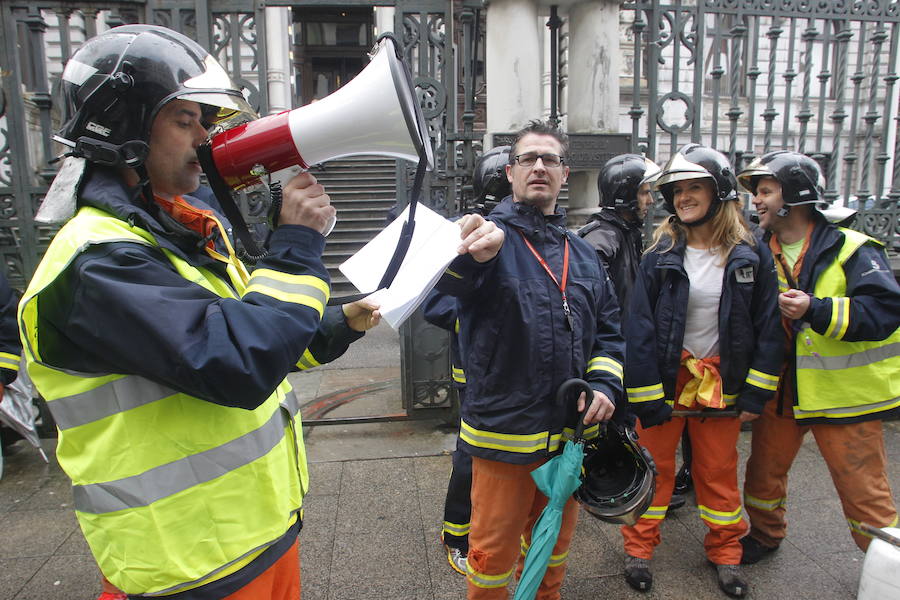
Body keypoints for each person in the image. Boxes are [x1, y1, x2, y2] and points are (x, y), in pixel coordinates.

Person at [19, 25, 380, 599]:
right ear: (127, 132)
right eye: (185, 121)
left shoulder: (178, 234)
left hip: (254, 534)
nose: (205, 139)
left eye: (207, 123)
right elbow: (238, 361)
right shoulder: (98, 261)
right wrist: (295, 246)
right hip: (185, 566)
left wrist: (343, 323)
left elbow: (253, 334)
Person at [435, 120, 625, 600]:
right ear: (511, 172)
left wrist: (603, 387)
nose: (538, 166)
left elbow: (609, 331)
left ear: (565, 173)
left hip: (568, 437)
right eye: (527, 159)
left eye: (550, 159)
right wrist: (472, 260)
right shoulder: (485, 240)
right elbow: (444, 295)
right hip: (503, 436)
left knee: (553, 549)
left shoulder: (583, 255)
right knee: (492, 557)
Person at [621, 144, 782, 598]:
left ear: (721, 191)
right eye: (677, 190)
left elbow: (769, 328)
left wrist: (754, 395)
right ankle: (639, 549)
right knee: (654, 470)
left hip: (721, 388)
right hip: (666, 386)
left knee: (717, 472)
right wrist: (646, 394)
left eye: (695, 188)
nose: (683, 198)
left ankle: (726, 555)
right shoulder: (660, 254)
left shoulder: (751, 256)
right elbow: (639, 328)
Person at [737, 151, 899, 563]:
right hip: (782, 391)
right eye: (757, 192)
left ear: (794, 196)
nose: (757, 200)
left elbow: (884, 311)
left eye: (766, 191)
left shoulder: (854, 248)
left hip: (844, 397)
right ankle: (765, 535)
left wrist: (817, 309)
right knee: (762, 477)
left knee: (864, 493)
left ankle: (886, 565)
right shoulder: (756, 250)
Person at [576, 153, 694, 512]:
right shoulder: (602, 241)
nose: (650, 200)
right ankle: (610, 488)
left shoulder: (623, 234)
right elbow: (596, 310)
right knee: (609, 428)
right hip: (606, 358)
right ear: (625, 194)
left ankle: (635, 486)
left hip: (622, 353)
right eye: (644, 192)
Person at [424, 145, 512, 576]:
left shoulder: (522, 226)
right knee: (471, 451)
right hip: (475, 365)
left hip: (517, 363)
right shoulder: (467, 231)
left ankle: (501, 522)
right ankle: (457, 532)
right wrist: (473, 314)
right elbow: (435, 304)